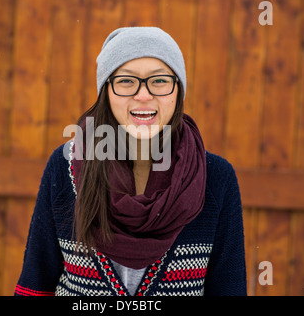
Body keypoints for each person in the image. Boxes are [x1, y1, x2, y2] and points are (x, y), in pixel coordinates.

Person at [14, 27, 247, 296]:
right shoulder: (65, 166)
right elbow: (35, 283)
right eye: (126, 81)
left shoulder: (215, 177)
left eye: (159, 81)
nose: (144, 95)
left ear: (178, 91)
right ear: (107, 91)